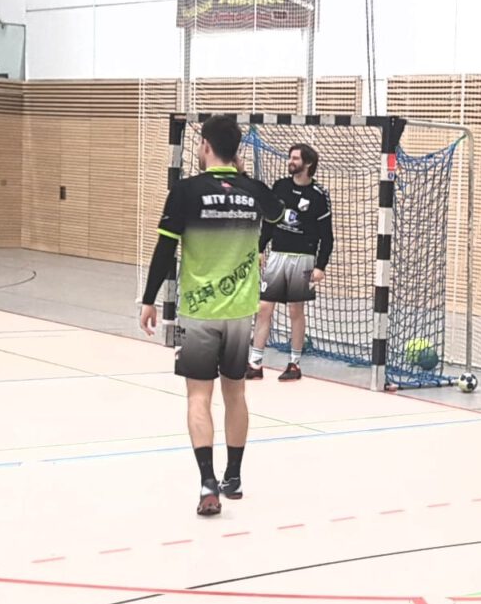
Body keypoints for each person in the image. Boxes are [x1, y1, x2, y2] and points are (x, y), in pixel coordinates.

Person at [138, 114, 276, 517]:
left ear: (205, 146)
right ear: (236, 151)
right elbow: (277, 214)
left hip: (199, 312)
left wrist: (149, 299)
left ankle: (206, 482)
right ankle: (234, 476)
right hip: (240, 311)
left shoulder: (186, 191)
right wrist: (244, 181)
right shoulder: (253, 190)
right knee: (236, 393)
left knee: (199, 397)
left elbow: (165, 249)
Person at [248, 142, 334, 381]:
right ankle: (254, 363)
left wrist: (321, 266)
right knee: (264, 307)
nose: (290, 162)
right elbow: (269, 221)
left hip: (303, 259)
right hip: (277, 255)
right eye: (290, 157)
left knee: (296, 310)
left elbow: (327, 236)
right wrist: (260, 248)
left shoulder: (318, 195)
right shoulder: (280, 187)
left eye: (295, 158)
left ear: (308, 163)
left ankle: (294, 364)